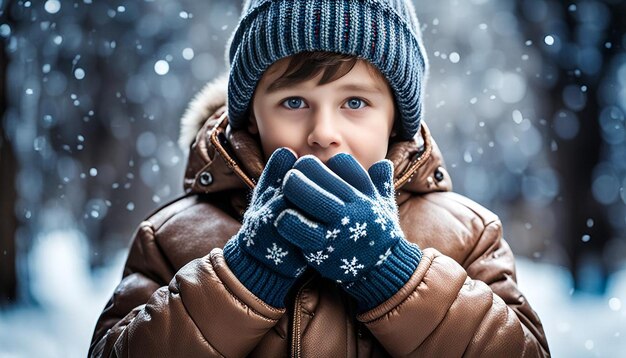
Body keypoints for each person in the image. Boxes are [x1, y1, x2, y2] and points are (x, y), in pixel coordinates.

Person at [89, 0, 550, 356]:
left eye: (354, 102)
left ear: (395, 120)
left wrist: (393, 275)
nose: (324, 133)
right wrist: (242, 278)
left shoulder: (466, 235)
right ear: (252, 118)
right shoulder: (172, 238)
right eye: (293, 102)